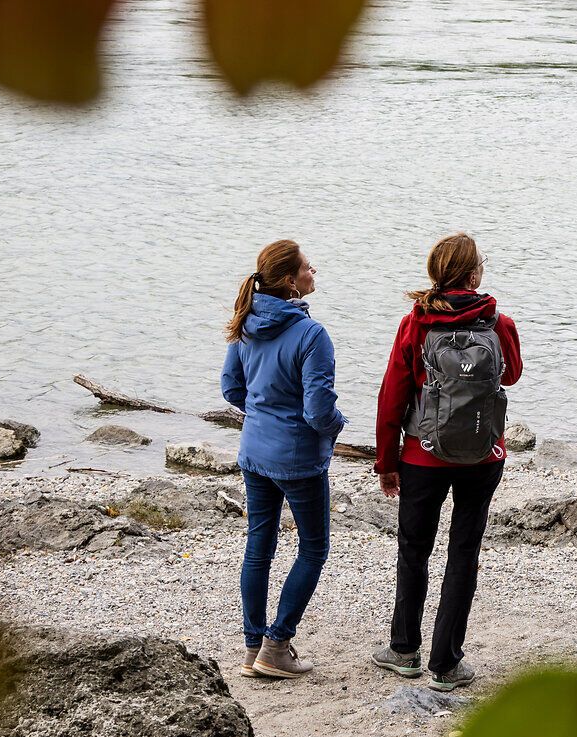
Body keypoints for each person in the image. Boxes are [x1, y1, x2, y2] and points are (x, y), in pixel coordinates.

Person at [370, 233, 522, 691]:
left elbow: (392, 396)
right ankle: (446, 664)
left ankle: (403, 650)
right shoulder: (499, 323)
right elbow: (510, 375)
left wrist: (386, 460)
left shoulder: (414, 325)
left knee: (414, 550)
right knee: (463, 552)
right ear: (475, 274)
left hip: (422, 455)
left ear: (435, 274)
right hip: (483, 455)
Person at [221, 239, 345, 681]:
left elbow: (231, 390)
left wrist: (262, 414)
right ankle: (276, 646)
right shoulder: (312, 335)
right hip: (297, 459)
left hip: (254, 452)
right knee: (313, 548)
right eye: (310, 267)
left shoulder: (246, 322)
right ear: (291, 280)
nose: (316, 272)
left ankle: (253, 646)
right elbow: (317, 411)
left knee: (260, 545)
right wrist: (338, 424)